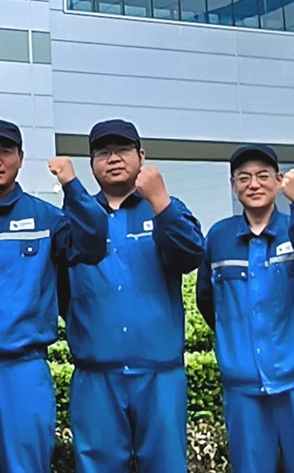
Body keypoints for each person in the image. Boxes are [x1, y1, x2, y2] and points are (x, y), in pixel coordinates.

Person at [0, 119, 109, 473]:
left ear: (20, 157)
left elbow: (94, 243)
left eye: (5, 151)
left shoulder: (48, 220)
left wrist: (72, 186)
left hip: (21, 373)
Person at [61, 119, 206, 473]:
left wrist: (160, 202)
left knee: (167, 466)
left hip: (159, 374)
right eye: (103, 152)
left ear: (141, 156)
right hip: (96, 376)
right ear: (91, 162)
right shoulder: (73, 217)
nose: (113, 159)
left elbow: (191, 255)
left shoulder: (165, 208)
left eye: (123, 150)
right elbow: (59, 288)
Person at [196, 144, 294, 473]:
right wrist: (235, 346)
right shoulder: (220, 236)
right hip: (243, 388)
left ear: (277, 181)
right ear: (234, 185)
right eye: (244, 177)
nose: (254, 184)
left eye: (262, 176)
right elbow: (208, 301)